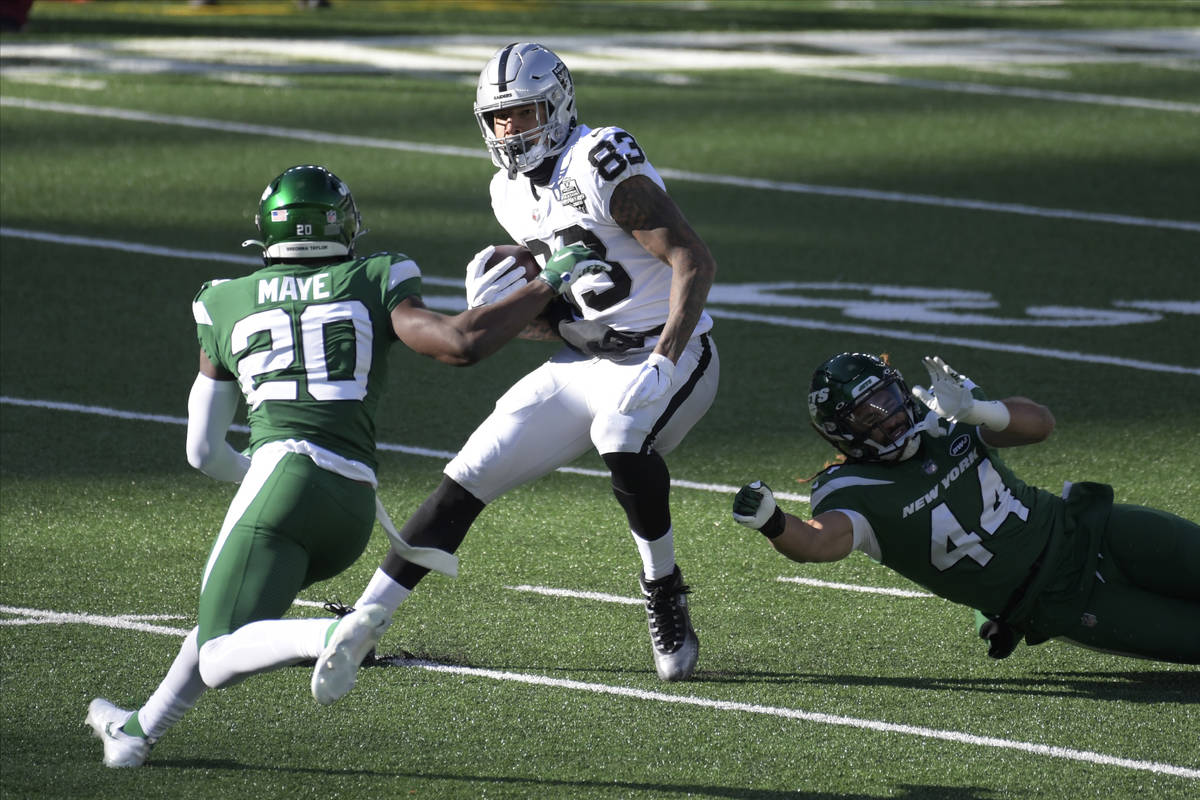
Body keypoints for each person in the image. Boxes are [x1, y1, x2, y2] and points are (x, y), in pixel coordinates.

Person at [85, 164, 605, 768]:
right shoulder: (375, 276)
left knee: (219, 648)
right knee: (227, 614)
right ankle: (137, 732)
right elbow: (459, 342)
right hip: (354, 505)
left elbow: (201, 451)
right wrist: (548, 282)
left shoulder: (222, 301)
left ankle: (330, 636)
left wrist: (259, 473)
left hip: (283, 480)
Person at [346, 42, 720, 682]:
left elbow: (694, 260)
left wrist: (664, 356)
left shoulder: (598, 160)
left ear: (557, 103)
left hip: (672, 349)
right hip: (586, 360)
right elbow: (568, 310)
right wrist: (517, 309)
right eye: (497, 117)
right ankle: (361, 622)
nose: (508, 129)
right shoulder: (507, 192)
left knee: (619, 432)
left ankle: (663, 588)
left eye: (521, 113)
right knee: (468, 471)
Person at [732, 352, 1200, 664]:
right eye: (870, 416)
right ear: (843, 432)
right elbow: (817, 541)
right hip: (1053, 598)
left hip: (1091, 529)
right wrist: (774, 522)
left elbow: (1040, 425)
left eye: (890, 400)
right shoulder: (852, 487)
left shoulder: (939, 420)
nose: (892, 416)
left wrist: (977, 410)